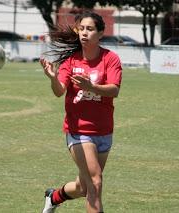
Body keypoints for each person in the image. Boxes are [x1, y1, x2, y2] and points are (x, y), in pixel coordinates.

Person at [40, 10, 122, 213]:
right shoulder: (71, 61)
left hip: (104, 131)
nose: (84, 33)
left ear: (101, 33)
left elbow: (114, 90)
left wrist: (90, 86)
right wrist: (52, 77)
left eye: (90, 29)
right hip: (79, 131)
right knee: (95, 182)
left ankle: (54, 196)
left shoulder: (110, 59)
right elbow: (59, 91)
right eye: (81, 29)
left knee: (84, 186)